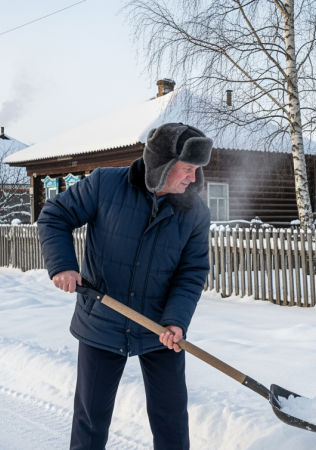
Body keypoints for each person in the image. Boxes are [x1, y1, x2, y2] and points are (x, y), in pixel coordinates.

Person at [37, 123, 213, 450]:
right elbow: (54, 215)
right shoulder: (105, 185)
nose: (193, 178)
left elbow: (192, 271)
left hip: (160, 326)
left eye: (196, 170)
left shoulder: (195, 213)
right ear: (162, 165)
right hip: (103, 318)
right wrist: (62, 265)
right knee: (91, 419)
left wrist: (176, 321)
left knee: (171, 417)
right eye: (187, 169)